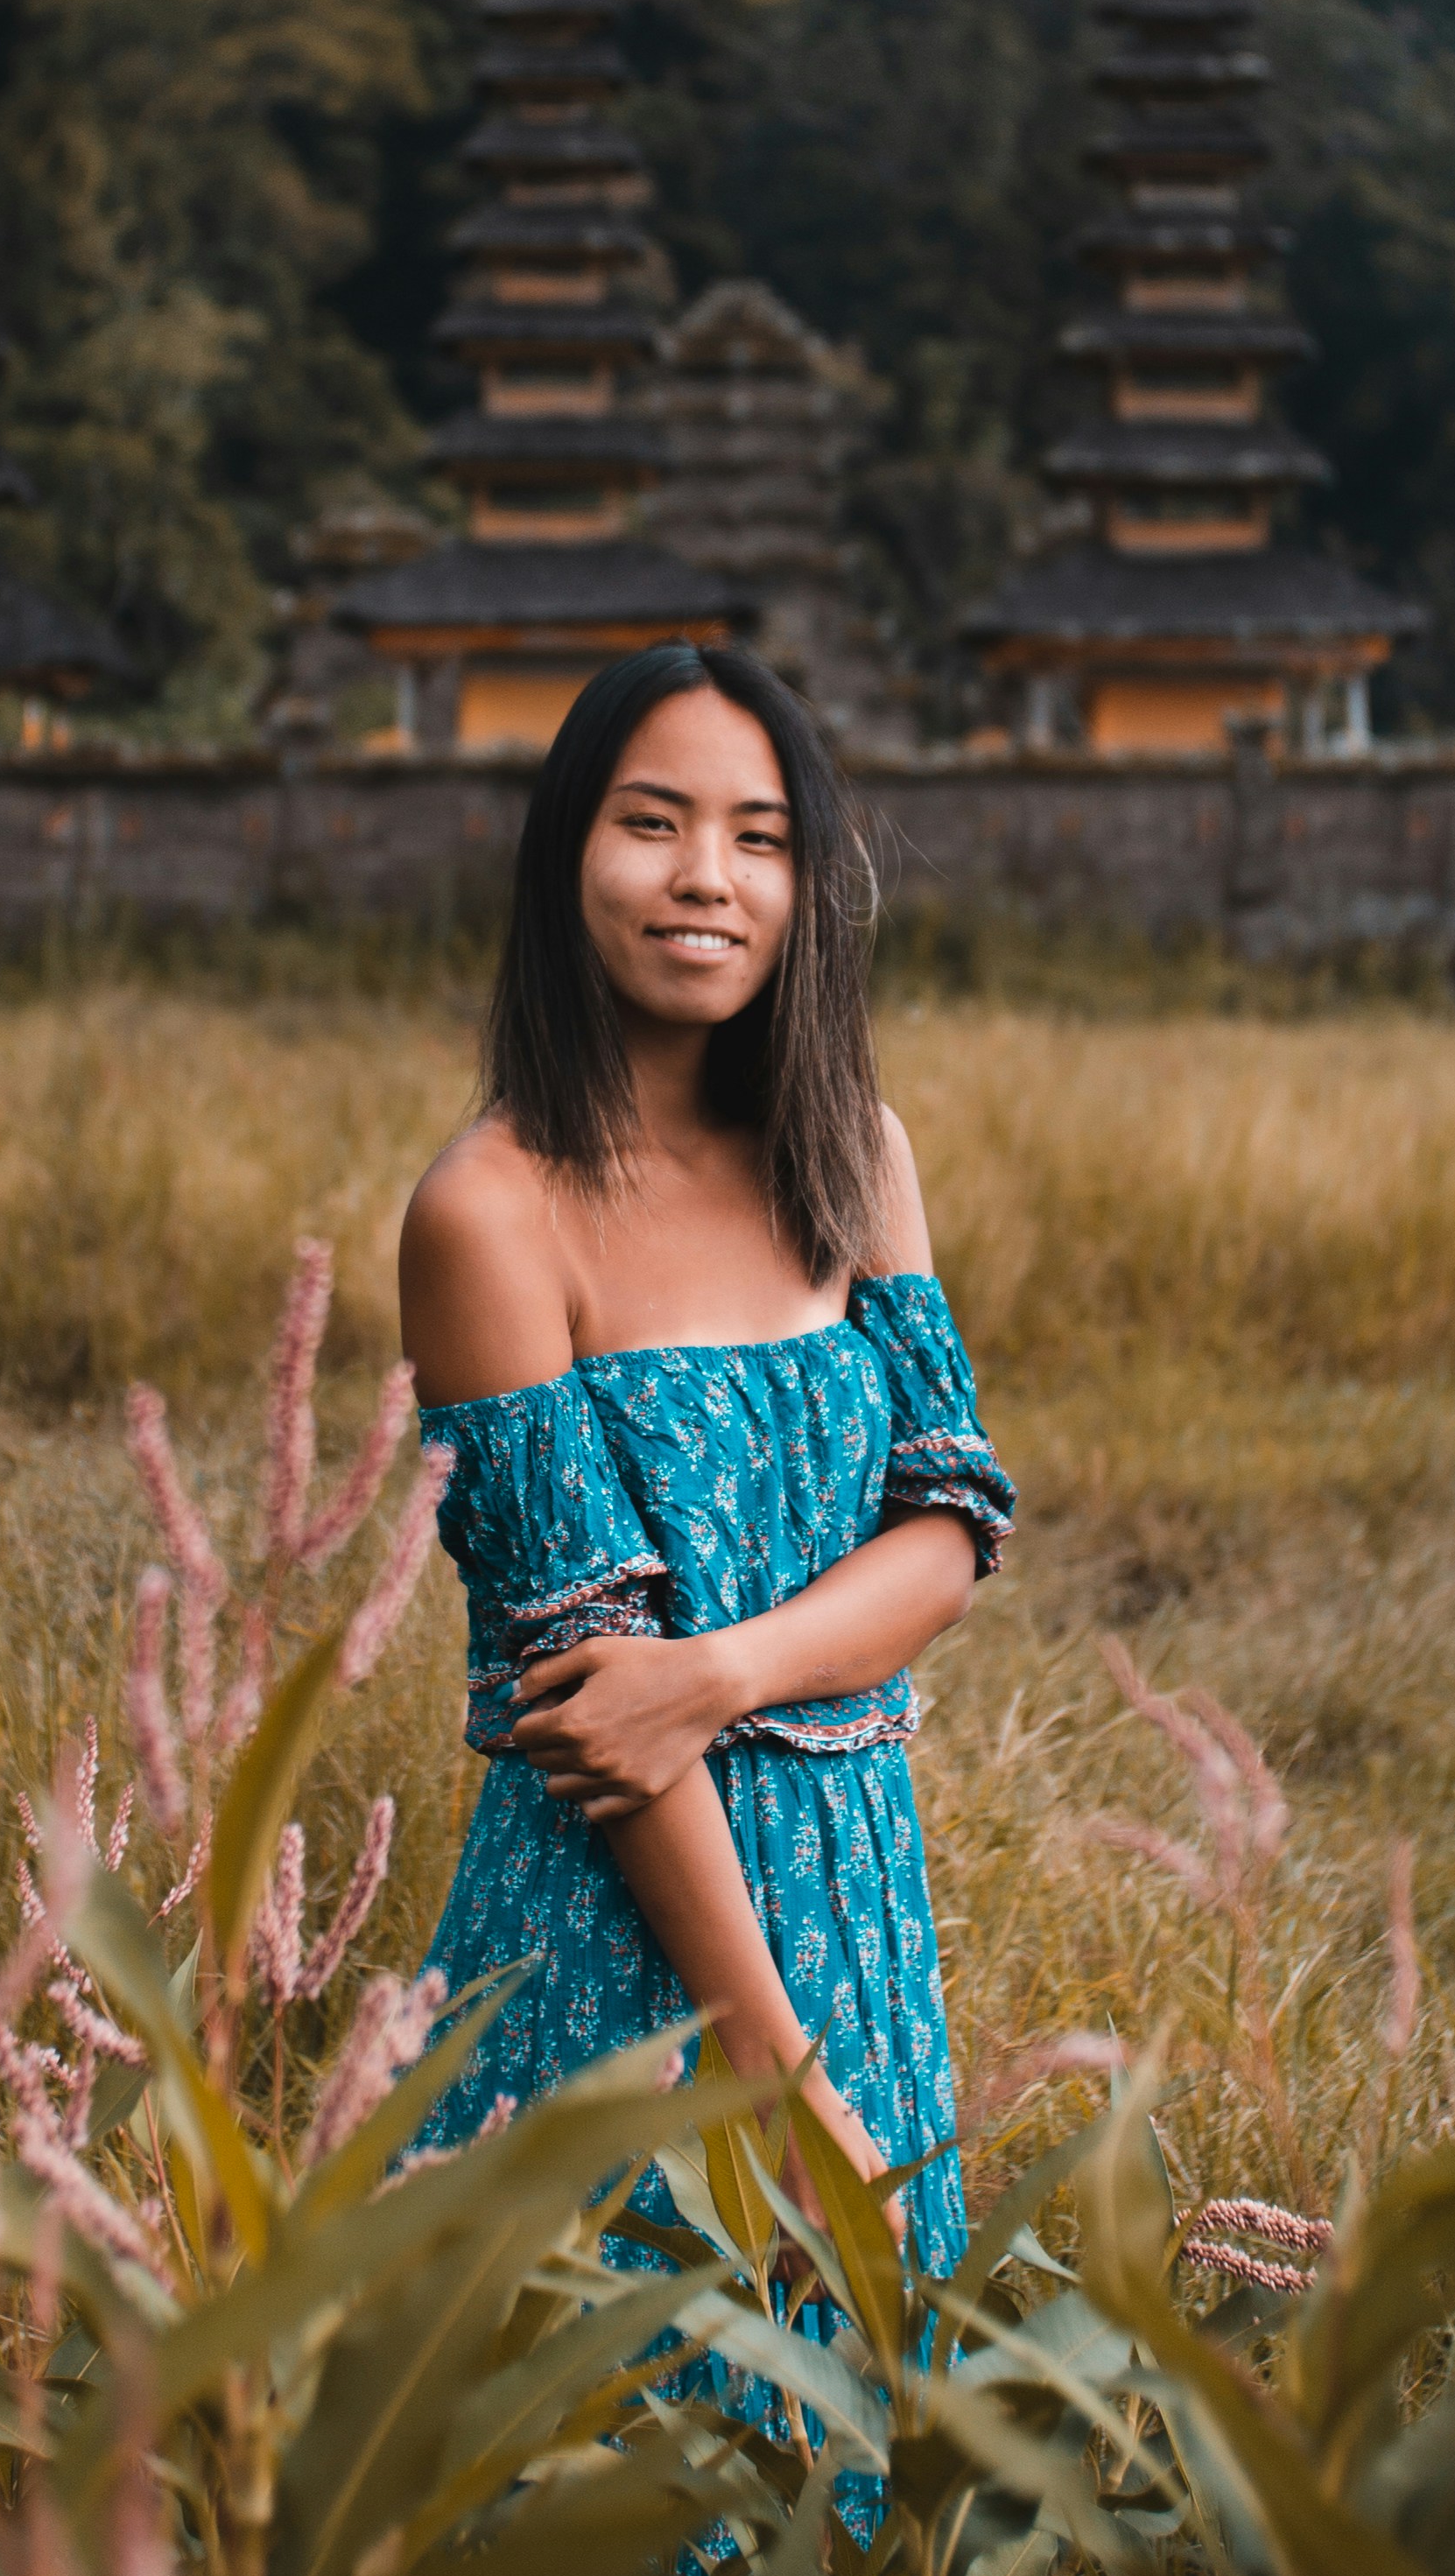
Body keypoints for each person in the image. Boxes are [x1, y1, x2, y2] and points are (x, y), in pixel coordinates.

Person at [398, 642, 1012, 2273]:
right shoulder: (490, 1211)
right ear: (566, 856)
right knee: (628, 2457)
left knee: (866, 2468)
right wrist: (768, 2060)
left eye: (757, 836)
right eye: (651, 822)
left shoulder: (853, 1150)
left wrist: (720, 1672)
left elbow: (949, 1527)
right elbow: (596, 1687)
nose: (704, 879)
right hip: (623, 1928)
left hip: (862, 1906)